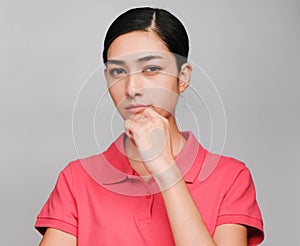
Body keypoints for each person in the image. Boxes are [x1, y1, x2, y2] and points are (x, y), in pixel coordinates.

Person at [35, 7, 264, 245]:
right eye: (118, 71)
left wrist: (166, 170)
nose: (132, 88)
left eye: (151, 69)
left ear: (182, 77)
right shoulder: (77, 179)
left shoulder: (231, 178)